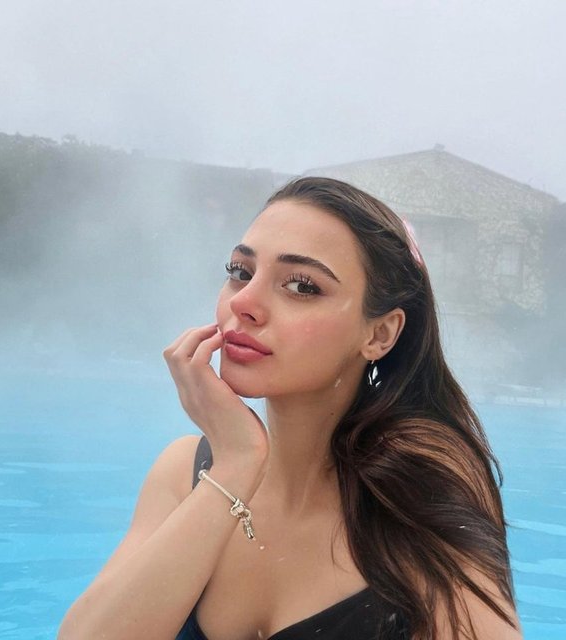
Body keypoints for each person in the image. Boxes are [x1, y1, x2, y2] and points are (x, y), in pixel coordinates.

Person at [58, 177, 522, 640]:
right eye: (241, 272)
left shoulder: (418, 488)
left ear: (379, 334)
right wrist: (236, 465)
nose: (244, 302)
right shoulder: (185, 473)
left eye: (302, 286)